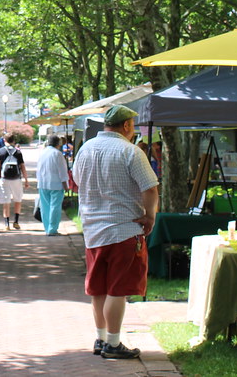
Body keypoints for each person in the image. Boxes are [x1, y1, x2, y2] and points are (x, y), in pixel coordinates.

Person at [71, 105, 158, 361]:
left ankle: (100, 338)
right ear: (127, 125)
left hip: (92, 230)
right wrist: (150, 216)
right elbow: (150, 188)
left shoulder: (85, 149)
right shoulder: (130, 151)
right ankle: (113, 342)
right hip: (124, 228)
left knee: (98, 288)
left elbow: (76, 181)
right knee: (117, 289)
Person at [0, 132, 29, 230]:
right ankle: (16, 222)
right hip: (16, 179)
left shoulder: (0, 151)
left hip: (4, 179)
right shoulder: (18, 152)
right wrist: (26, 180)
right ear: (14, 141)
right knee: (17, 199)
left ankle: (7, 224)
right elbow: (22, 167)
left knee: (6, 201)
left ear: (4, 140)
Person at [37, 134, 70, 236]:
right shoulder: (57, 154)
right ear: (58, 143)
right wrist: (65, 185)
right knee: (55, 207)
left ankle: (47, 228)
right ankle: (52, 229)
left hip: (43, 183)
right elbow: (62, 171)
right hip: (56, 184)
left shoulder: (42, 153)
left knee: (45, 207)